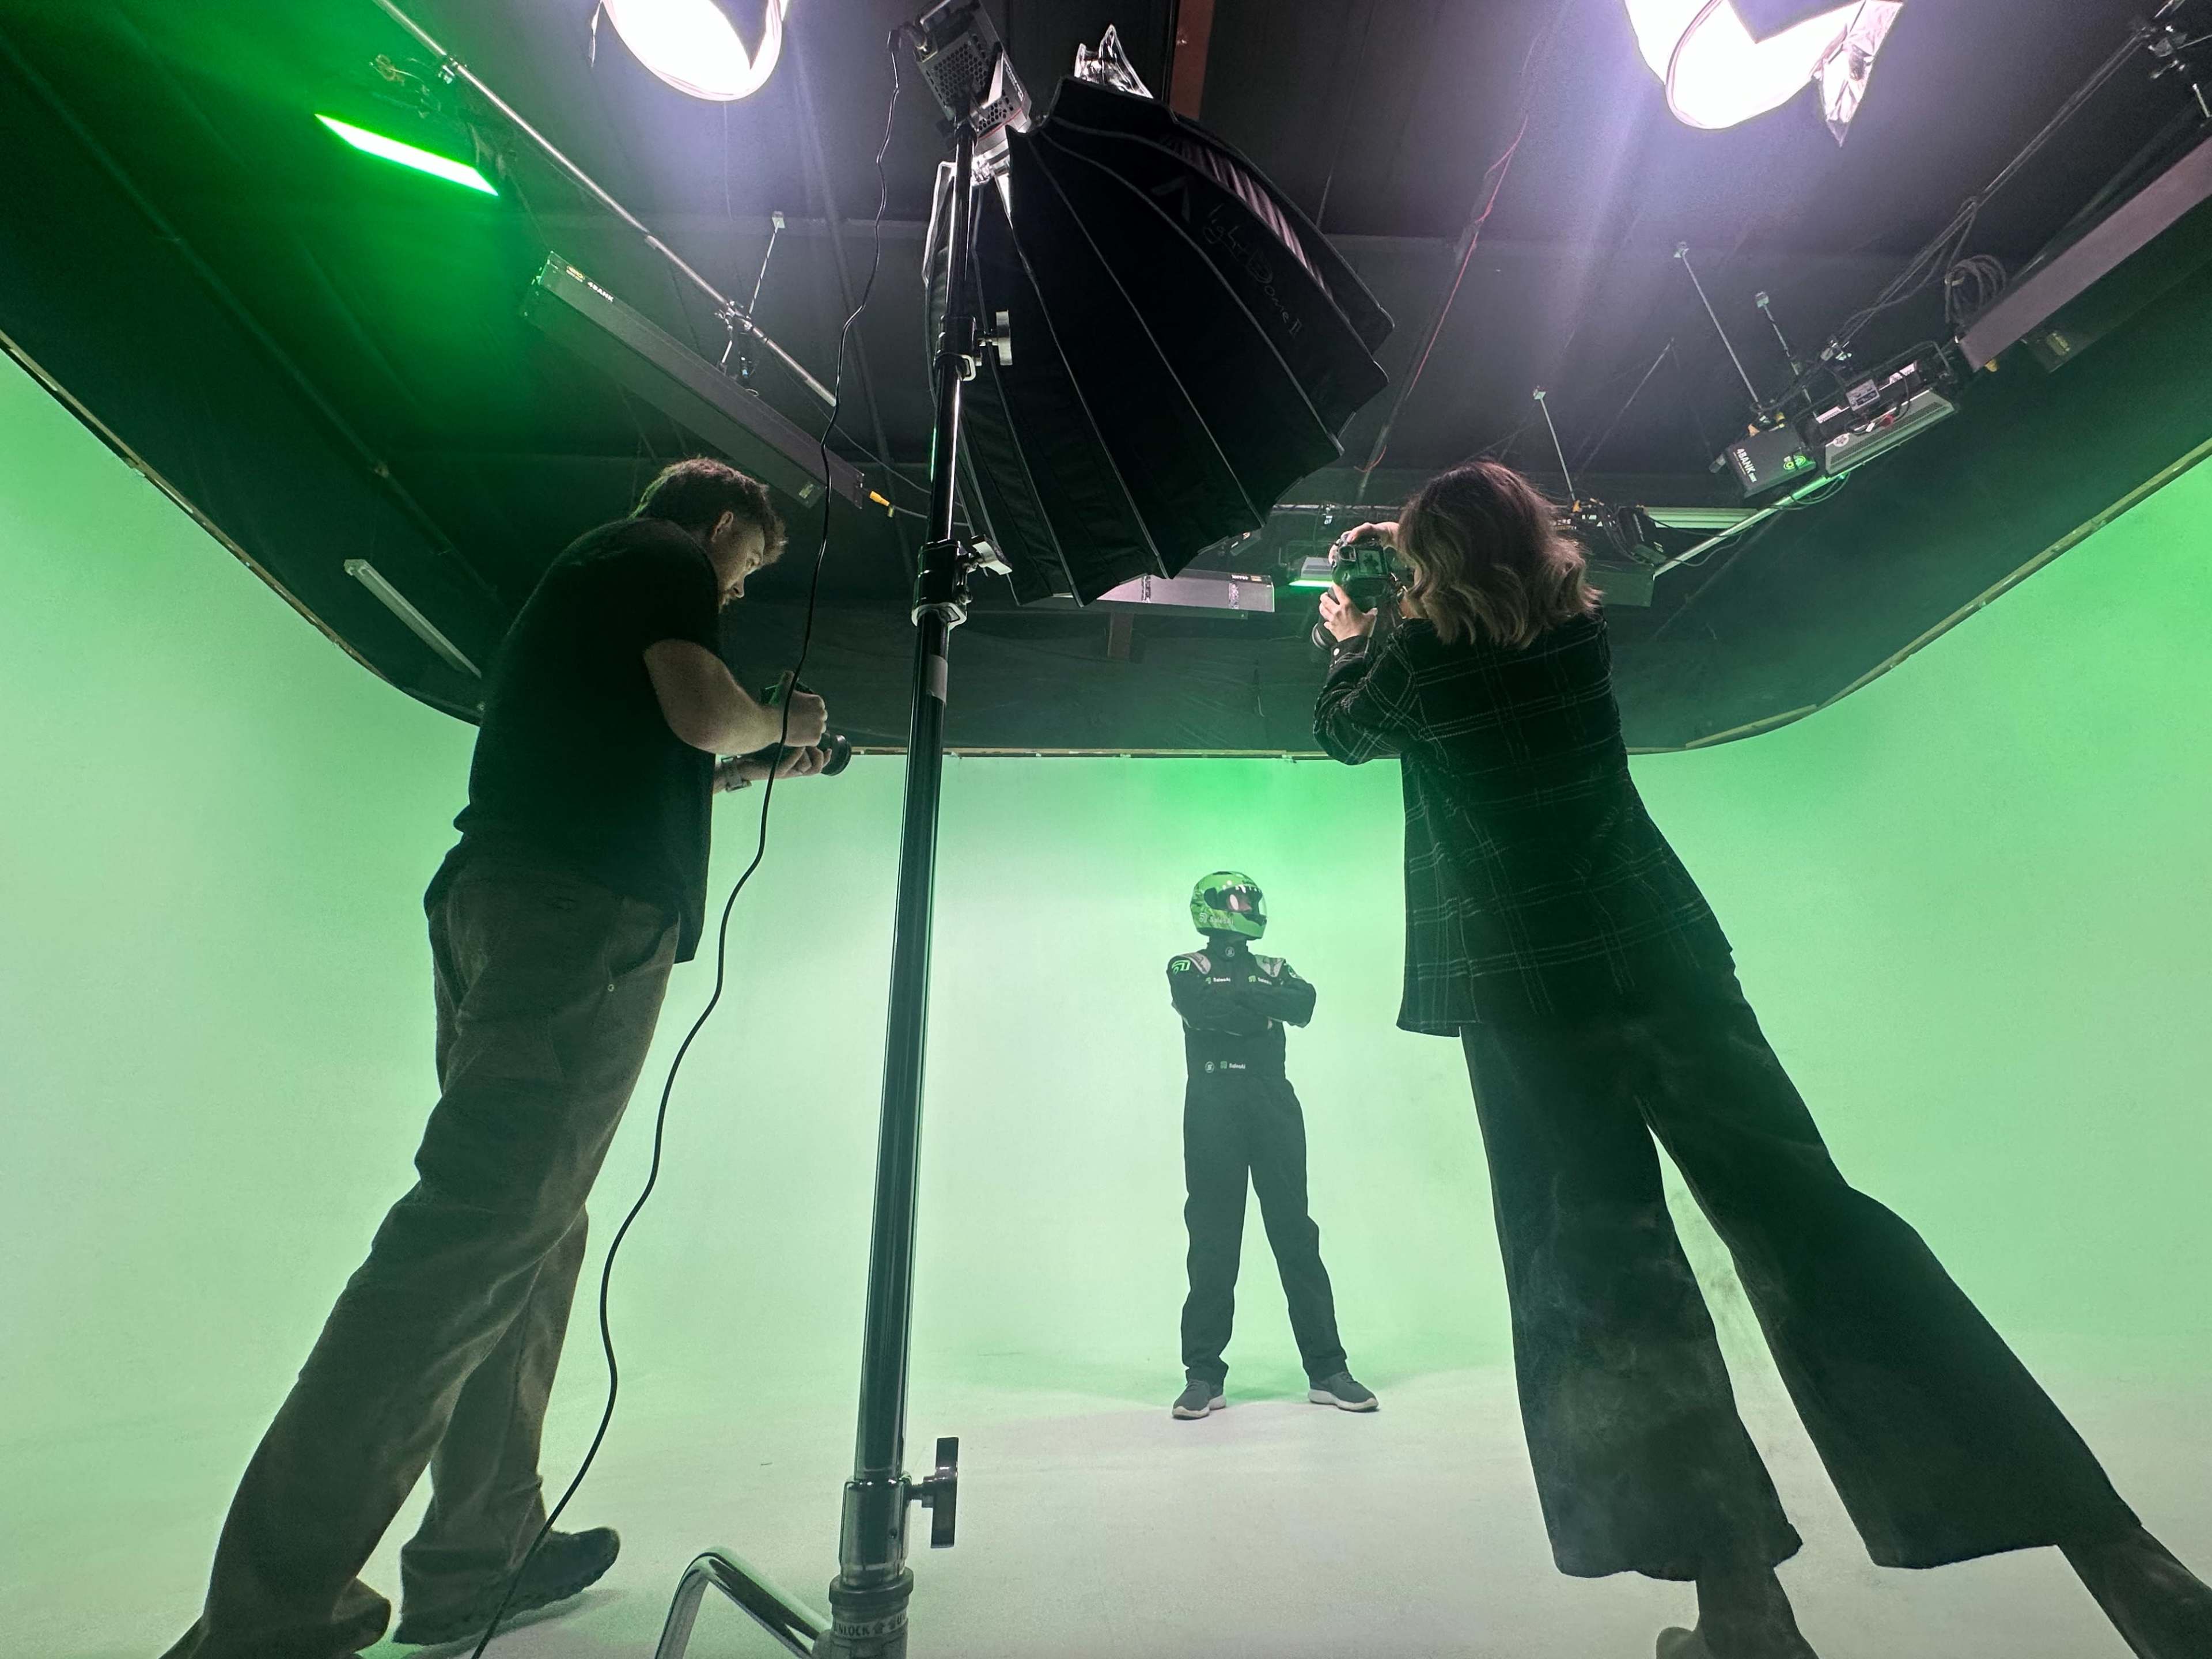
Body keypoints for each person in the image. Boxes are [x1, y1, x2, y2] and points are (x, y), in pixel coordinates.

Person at [1310, 460, 2212, 1659]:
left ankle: (1745, 1610)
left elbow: (1345, 730)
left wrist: (1355, 626)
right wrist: (1408, 598)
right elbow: (1472, 643)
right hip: (1673, 973)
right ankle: (2127, 1563)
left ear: (1425, 569)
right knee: (1822, 1233)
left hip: (1529, 1005)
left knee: (1603, 1284)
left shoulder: (1417, 665)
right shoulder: (1580, 638)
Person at [160, 458, 834, 1659]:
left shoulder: (599, 584)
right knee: (471, 1234)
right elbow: (697, 703)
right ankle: (268, 1616)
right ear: (724, 525)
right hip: (577, 924)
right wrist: (785, 719)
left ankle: (479, 1557)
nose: (736, 588)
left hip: (518, 908)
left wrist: (744, 767)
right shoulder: (659, 557)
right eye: (751, 564)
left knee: (529, 1229)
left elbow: (657, 743)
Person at [1167, 872, 1377, 1421]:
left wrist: (1250, 1000)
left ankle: (1329, 1371)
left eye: (1250, 900)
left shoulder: (1275, 966)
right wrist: (1262, 1006)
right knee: (1213, 1239)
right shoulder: (1186, 965)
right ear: (1210, 909)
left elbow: (1303, 1004)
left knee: (1296, 1235)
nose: (1247, 908)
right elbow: (1209, 1012)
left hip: (1272, 1102)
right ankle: (1203, 1377)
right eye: (1237, 901)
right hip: (1212, 1103)